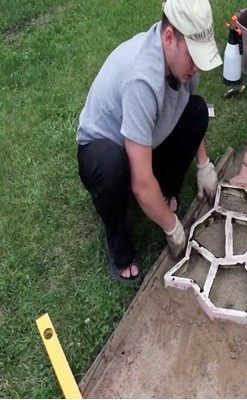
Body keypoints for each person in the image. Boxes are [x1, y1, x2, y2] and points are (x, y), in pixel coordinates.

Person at [76, 0, 222, 284]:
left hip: (143, 137)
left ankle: (163, 193)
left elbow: (183, 107)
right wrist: (172, 227)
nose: (198, 69)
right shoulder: (142, 81)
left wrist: (204, 163)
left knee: (197, 112)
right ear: (169, 38)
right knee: (112, 167)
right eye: (194, 57)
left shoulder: (183, 65)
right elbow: (141, 183)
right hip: (104, 146)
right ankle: (120, 246)